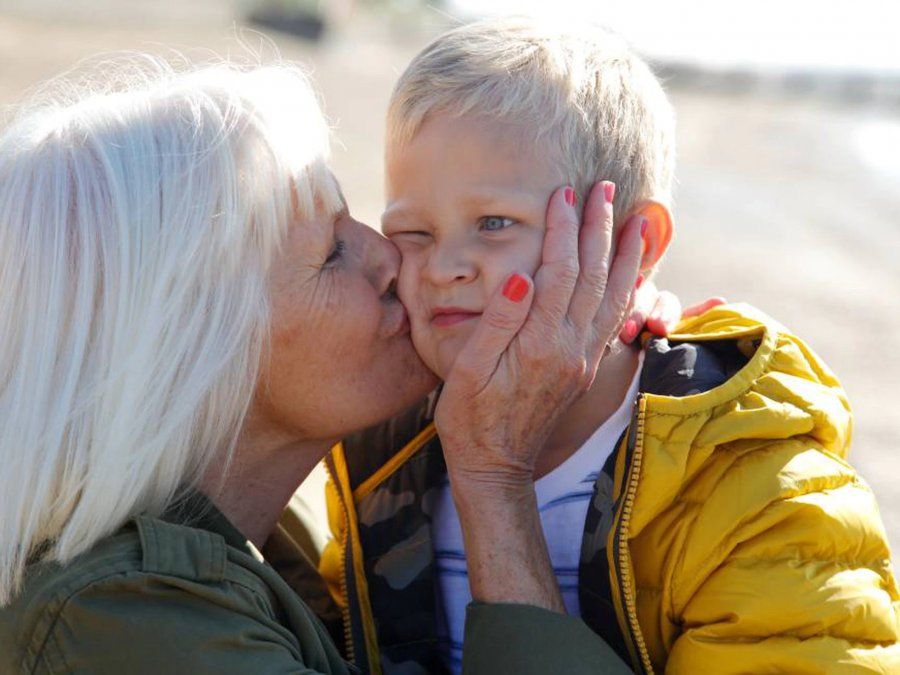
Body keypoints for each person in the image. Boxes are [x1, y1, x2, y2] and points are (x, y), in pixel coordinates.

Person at [0, 54, 690, 674]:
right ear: (190, 338)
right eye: (333, 252)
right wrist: (494, 474)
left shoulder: (289, 528)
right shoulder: (123, 625)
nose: (393, 259)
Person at [318, 17, 900, 674]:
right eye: (414, 231)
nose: (446, 263)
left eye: (494, 222)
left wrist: (494, 479)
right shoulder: (377, 451)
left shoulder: (765, 497)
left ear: (634, 243)